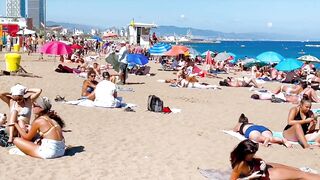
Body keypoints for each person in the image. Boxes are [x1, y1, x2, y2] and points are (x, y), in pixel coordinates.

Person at [230, 139, 320, 180]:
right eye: (251, 154)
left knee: (298, 171)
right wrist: (250, 178)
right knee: (301, 175)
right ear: (244, 153)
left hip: (263, 168)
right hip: (264, 176)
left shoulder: (246, 159)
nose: (253, 155)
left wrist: (261, 161)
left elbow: (254, 159)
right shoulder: (240, 164)